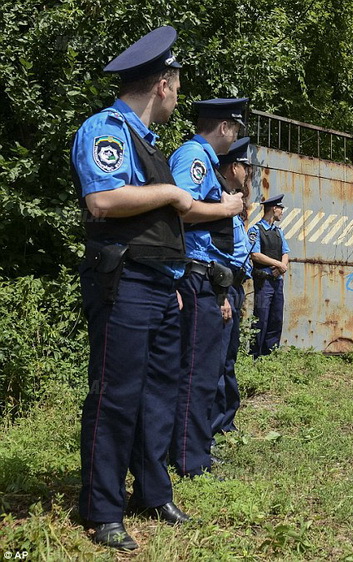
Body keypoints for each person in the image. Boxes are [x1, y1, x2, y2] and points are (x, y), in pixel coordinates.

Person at [71, 26, 192, 550]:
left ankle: (151, 490)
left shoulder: (147, 142)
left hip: (159, 284)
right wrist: (169, 191)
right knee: (115, 396)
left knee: (160, 392)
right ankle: (101, 509)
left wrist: (174, 281)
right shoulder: (107, 129)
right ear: (162, 84)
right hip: (123, 284)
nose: (179, 94)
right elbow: (102, 201)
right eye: (177, 84)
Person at [168, 98, 248, 477]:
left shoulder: (205, 161)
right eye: (236, 129)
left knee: (203, 370)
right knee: (196, 372)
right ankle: (188, 458)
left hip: (206, 277)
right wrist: (227, 209)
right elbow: (181, 208)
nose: (235, 137)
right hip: (192, 275)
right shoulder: (193, 156)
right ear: (224, 128)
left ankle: (194, 449)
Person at [210, 136, 253, 438]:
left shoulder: (232, 202)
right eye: (246, 167)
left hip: (233, 288)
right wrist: (221, 295)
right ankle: (212, 428)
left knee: (228, 359)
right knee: (217, 363)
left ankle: (225, 422)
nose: (249, 174)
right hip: (222, 288)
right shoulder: (220, 203)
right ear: (234, 166)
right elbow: (214, 253)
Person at [249, 194, 290, 357]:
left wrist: (281, 267)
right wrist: (278, 264)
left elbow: (286, 252)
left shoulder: (278, 232)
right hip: (264, 281)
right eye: (281, 209)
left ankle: (270, 355)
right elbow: (255, 255)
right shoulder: (256, 230)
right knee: (261, 318)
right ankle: (255, 355)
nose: (282, 212)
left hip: (277, 281)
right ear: (274, 209)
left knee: (275, 319)